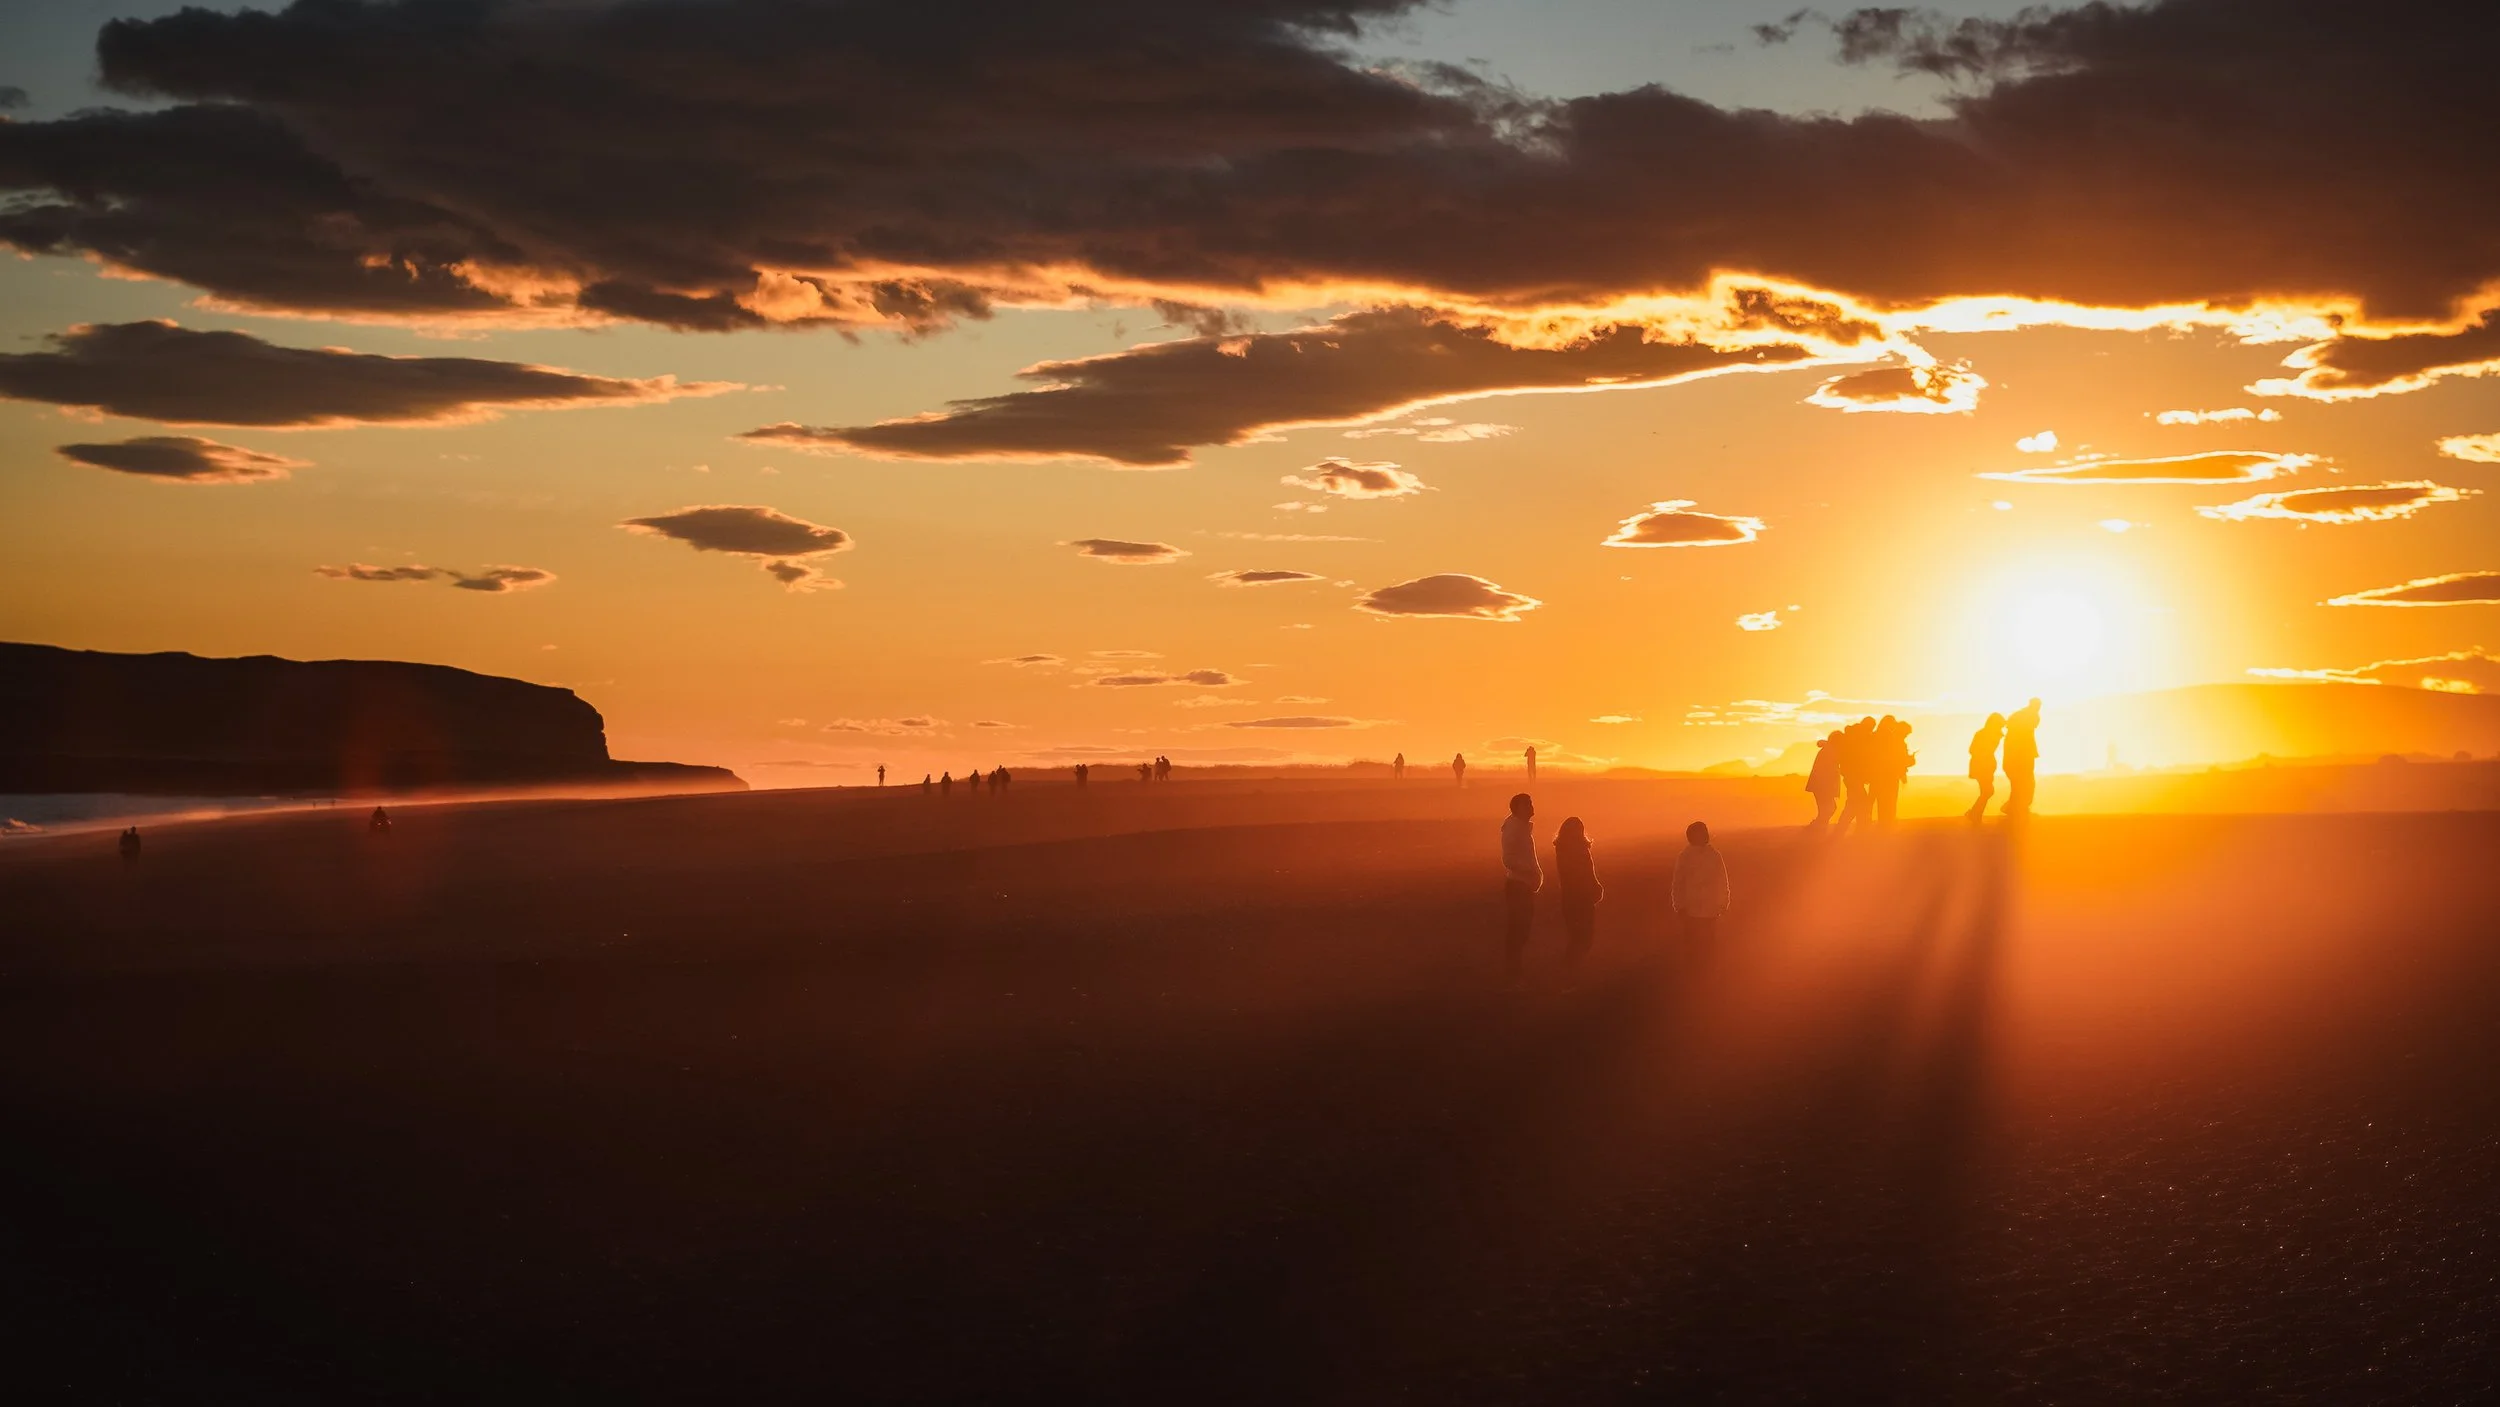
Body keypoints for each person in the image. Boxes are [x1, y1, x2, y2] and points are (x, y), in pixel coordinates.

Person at [1551, 816, 1603, 969]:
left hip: (1576, 899)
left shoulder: (1567, 850)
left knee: (1580, 937)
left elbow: (1588, 873)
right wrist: (1593, 888)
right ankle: (1569, 971)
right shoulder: (1572, 851)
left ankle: (1571, 971)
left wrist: (1595, 887)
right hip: (1579, 900)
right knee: (1582, 938)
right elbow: (1581, 875)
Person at [1499, 793, 1540, 980]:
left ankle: (1514, 973)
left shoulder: (1521, 828)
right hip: (1518, 886)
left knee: (1521, 931)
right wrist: (1531, 871)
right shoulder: (1514, 829)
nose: (1532, 807)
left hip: (1523, 885)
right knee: (1518, 931)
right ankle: (1512, 975)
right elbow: (1508, 859)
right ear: (1518, 808)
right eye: (1528, 804)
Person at [1670, 820, 1730, 941]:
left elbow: (1722, 880)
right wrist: (1679, 905)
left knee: (1708, 944)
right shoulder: (1685, 856)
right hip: (1691, 911)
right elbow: (1678, 882)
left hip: (1710, 911)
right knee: (1693, 945)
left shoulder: (1714, 855)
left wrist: (1723, 902)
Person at [1834, 716, 1877, 834]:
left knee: (1856, 802)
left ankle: (1856, 830)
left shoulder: (1852, 734)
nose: (1872, 730)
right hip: (1854, 776)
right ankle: (1847, 831)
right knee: (1855, 804)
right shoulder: (1861, 737)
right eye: (1872, 728)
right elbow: (1861, 757)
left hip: (1850, 776)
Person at [1871, 716, 1914, 828]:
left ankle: (1882, 824)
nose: (1906, 736)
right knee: (1889, 802)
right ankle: (1886, 825)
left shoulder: (1876, 737)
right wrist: (1910, 761)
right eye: (1906, 734)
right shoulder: (1893, 741)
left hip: (1878, 775)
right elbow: (1897, 760)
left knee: (1881, 802)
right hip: (1890, 776)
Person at [2003, 697, 2042, 817]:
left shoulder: (2019, 718)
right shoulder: (2031, 717)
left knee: (2020, 784)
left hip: (2017, 756)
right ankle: (2017, 808)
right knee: (2025, 783)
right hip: (2022, 756)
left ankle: (2015, 808)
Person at [1966, 713, 2005, 821]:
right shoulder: (1982, 734)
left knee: (1987, 791)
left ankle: (1974, 814)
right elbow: (1972, 750)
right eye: (1999, 725)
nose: (2001, 728)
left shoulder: (1993, 734)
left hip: (1987, 765)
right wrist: (1984, 755)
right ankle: (1974, 814)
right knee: (1988, 791)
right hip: (1981, 765)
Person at [1805, 729, 1842, 828]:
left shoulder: (1828, 749)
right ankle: (1818, 827)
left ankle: (1818, 826)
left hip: (1818, 785)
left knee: (1826, 809)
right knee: (1829, 808)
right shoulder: (1831, 751)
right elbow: (1830, 770)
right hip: (1823, 786)